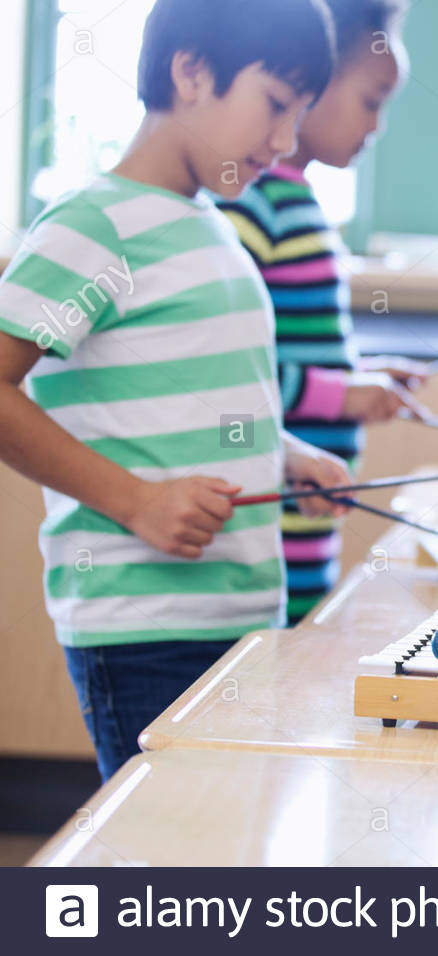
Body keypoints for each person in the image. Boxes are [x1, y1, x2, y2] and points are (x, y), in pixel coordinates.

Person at [0, 0, 350, 780]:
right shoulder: (96, 227)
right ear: (191, 72)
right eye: (274, 105)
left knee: (223, 861)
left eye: (299, 115)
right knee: (167, 870)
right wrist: (134, 500)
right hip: (145, 632)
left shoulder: (213, 228)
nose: (287, 142)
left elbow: (196, 397)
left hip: (242, 620)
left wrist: (286, 455)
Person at [219, 0, 423, 624]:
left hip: (307, 519)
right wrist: (345, 397)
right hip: (269, 514)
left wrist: (365, 376)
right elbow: (225, 373)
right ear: (312, 79)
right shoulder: (256, 204)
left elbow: (296, 352)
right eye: (371, 100)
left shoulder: (296, 204)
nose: (378, 125)